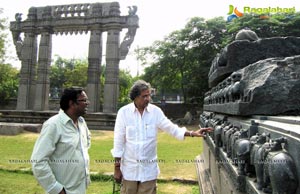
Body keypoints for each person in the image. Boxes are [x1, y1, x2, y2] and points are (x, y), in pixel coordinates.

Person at [111, 80, 212, 194]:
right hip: (129, 170)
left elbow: (171, 128)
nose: (148, 99)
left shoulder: (155, 112)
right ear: (135, 97)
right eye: (144, 96)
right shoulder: (123, 113)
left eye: (149, 95)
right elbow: (118, 142)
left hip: (148, 171)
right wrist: (117, 169)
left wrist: (192, 133)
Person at [31, 87, 91, 194]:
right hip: (63, 191)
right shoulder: (53, 125)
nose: (87, 103)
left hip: (80, 188)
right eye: (84, 100)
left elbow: (85, 146)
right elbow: (38, 161)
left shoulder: (81, 122)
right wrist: (56, 189)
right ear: (71, 103)